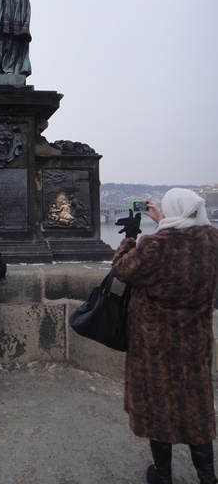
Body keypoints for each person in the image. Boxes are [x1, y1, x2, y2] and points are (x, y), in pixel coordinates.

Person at [112, 188, 218, 484]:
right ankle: (208, 478)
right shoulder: (211, 242)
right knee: (196, 407)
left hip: (155, 344)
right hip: (195, 343)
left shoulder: (156, 245)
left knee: (159, 406)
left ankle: (162, 474)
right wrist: (162, 219)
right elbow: (193, 231)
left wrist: (130, 239)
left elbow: (122, 269)